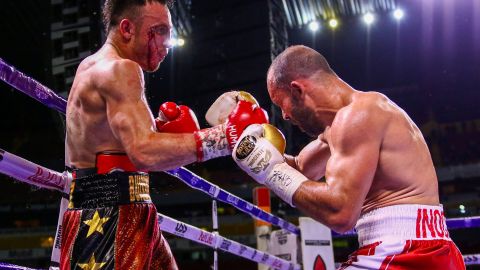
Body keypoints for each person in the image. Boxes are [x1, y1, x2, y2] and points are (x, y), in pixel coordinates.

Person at [61, 0, 268, 269]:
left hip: (115, 207)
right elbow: (143, 151)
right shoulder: (121, 70)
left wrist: (159, 131)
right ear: (126, 28)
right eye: (158, 31)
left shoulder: (91, 65)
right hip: (108, 216)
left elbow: (118, 144)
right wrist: (224, 137)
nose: (166, 43)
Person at [232, 45, 465, 269]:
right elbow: (300, 170)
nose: (284, 115)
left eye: (281, 104)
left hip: (410, 252)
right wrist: (249, 147)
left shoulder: (360, 114)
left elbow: (341, 214)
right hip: (412, 249)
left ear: (298, 90)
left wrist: (271, 171)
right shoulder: (338, 128)